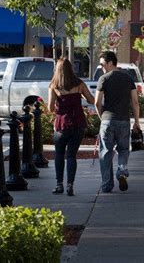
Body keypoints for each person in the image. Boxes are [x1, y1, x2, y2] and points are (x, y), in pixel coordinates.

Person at [95, 51, 141, 193]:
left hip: (108, 120)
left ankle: (107, 185)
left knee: (105, 152)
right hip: (124, 121)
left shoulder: (103, 78)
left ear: (110, 63)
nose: (102, 67)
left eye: (103, 64)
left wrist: (101, 117)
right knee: (123, 149)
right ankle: (121, 170)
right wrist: (137, 122)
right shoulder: (128, 78)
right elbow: (135, 102)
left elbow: (97, 102)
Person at [48, 58, 95, 196]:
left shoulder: (54, 86)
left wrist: (58, 104)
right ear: (71, 69)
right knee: (71, 155)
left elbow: (50, 108)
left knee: (59, 155)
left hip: (62, 124)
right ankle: (70, 185)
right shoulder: (79, 84)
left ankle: (59, 185)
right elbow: (91, 100)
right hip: (78, 123)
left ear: (57, 70)